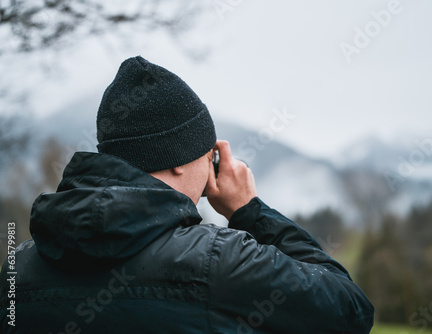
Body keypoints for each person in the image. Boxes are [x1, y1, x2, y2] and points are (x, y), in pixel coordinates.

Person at [0, 56, 374, 333]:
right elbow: (350, 310)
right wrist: (251, 211)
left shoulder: (18, 267)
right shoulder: (220, 259)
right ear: (178, 161)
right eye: (210, 153)